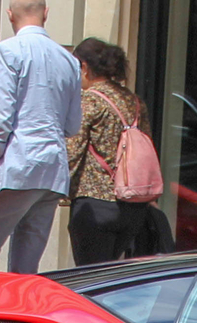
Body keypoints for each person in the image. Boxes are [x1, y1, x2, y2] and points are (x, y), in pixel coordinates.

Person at [0, 0, 83, 272]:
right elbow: (72, 125)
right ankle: (16, 316)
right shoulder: (68, 60)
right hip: (51, 172)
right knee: (25, 270)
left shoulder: (5, 52)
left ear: (9, 15)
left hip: (13, 168)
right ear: (46, 13)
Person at [64, 38, 163, 266]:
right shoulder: (134, 101)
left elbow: (73, 150)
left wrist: (54, 190)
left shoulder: (89, 100)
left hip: (94, 205)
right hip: (132, 207)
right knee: (109, 276)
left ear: (84, 67)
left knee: (89, 278)